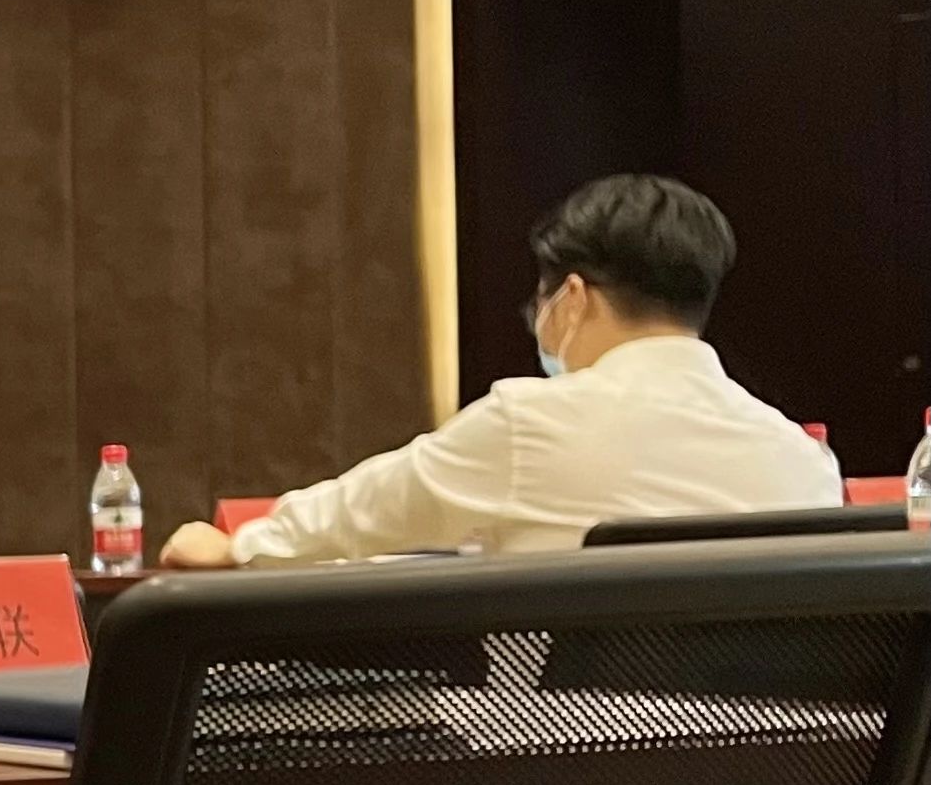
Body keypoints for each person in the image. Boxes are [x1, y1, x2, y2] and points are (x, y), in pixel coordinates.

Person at [156, 172, 835, 570]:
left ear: (572, 298)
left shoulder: (527, 426)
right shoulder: (803, 461)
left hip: (561, 759)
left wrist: (237, 545)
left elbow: (357, 517)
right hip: (783, 763)